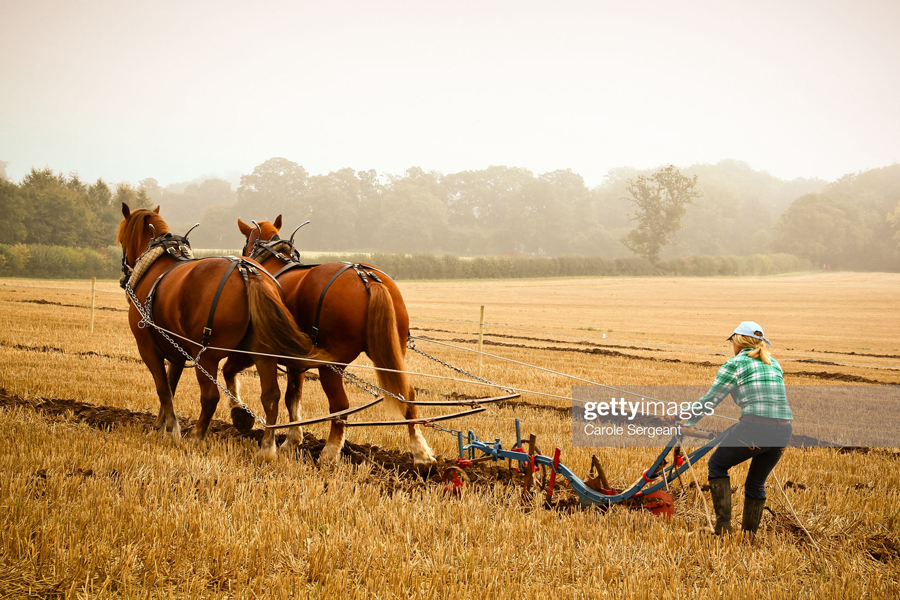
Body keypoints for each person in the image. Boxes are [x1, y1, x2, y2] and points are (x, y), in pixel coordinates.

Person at [670, 321, 793, 538]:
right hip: (783, 431)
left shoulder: (735, 364)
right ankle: (749, 537)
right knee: (756, 483)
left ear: (736, 342)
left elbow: (710, 400)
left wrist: (682, 416)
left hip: (755, 427)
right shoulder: (773, 363)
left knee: (717, 465)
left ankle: (723, 528)